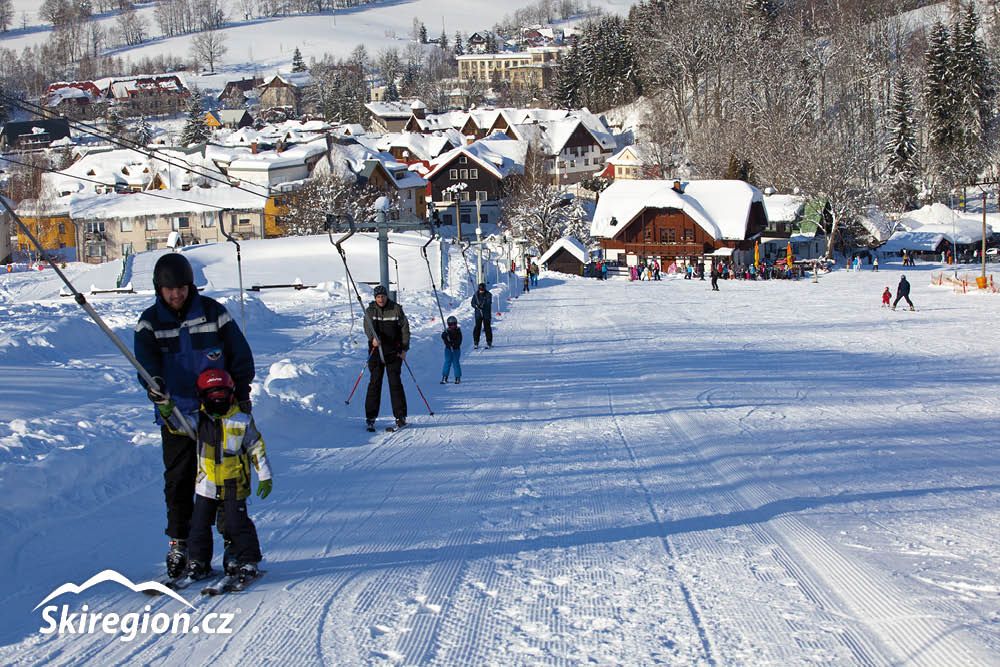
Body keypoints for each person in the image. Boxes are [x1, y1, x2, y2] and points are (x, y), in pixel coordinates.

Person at [134, 252, 255, 579]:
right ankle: (180, 542)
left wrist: (241, 395)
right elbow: (146, 364)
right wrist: (154, 385)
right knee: (179, 481)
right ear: (159, 289)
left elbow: (239, 355)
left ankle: (232, 542)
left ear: (190, 286)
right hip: (176, 416)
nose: (176, 295)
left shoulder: (214, 314)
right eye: (169, 289)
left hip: (217, 414)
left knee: (225, 480)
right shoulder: (150, 323)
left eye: (181, 288)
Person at [182, 368, 272, 584]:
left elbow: (256, 447)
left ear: (230, 393)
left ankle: (247, 559)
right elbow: (177, 426)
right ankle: (198, 561)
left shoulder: (241, 420)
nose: (217, 399)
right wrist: (166, 410)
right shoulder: (198, 421)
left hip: (234, 482)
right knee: (199, 524)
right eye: (212, 395)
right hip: (206, 483)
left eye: (221, 394)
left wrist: (264, 475)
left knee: (236, 523)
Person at [364, 285, 410, 431]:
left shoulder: (396, 309)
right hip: (376, 352)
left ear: (386, 296)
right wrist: (372, 338)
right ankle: (370, 416)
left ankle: (400, 416)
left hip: (393, 352)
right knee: (375, 383)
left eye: (383, 296)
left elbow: (405, 329)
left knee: (395, 383)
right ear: (375, 298)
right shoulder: (371, 310)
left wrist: (404, 348)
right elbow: (367, 326)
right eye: (378, 297)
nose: (381, 299)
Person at [440, 316, 462, 384]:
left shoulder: (458, 331)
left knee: (456, 363)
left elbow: (459, 341)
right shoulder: (447, 332)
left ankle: (457, 377)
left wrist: (454, 344)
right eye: (450, 324)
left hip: (456, 350)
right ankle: (445, 377)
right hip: (448, 350)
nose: (452, 326)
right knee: (447, 362)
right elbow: (444, 338)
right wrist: (444, 336)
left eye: (454, 324)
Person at [471, 282, 493, 349]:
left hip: (486, 314)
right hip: (478, 314)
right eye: (480, 290)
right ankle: (476, 341)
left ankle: (489, 341)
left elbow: (488, 302)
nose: (481, 291)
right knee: (477, 328)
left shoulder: (488, 294)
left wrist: (482, 305)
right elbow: (472, 303)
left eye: (482, 290)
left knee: (487, 328)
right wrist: (477, 306)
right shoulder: (476, 295)